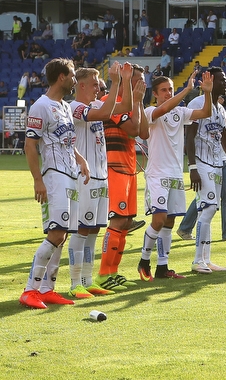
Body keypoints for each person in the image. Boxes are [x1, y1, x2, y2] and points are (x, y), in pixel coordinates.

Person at [19, 59, 91, 309]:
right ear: (61, 77)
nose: (74, 79)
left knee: (62, 236)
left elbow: (68, 142)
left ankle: (48, 288)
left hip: (70, 174)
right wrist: (38, 181)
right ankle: (30, 289)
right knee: (56, 233)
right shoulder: (40, 106)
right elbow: (30, 145)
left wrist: (80, 158)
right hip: (54, 176)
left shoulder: (65, 107)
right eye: (72, 75)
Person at [137, 71, 214, 281]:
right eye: (164, 90)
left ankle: (163, 267)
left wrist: (207, 93)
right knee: (159, 218)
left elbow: (206, 112)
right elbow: (164, 109)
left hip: (175, 174)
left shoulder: (181, 111)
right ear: (155, 94)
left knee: (169, 222)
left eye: (170, 89)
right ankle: (144, 260)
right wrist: (187, 90)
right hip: (157, 174)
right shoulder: (151, 110)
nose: (168, 93)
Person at [66, 63, 129, 299]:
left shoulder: (95, 104)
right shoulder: (74, 107)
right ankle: (75, 283)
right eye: (95, 83)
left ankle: (88, 280)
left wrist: (125, 83)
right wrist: (114, 83)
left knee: (93, 230)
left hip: (101, 176)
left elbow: (126, 107)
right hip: (84, 177)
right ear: (80, 85)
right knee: (81, 229)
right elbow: (105, 114)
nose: (98, 87)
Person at [183, 68, 226, 274]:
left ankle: (206, 259)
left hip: (217, 164)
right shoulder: (196, 105)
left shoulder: (220, 110)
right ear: (210, 80)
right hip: (202, 163)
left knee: (209, 210)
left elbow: (224, 139)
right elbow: (189, 137)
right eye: (222, 79)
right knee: (209, 208)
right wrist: (192, 167)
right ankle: (197, 260)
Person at [94, 65, 148, 292]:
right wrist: (135, 100)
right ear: (127, 81)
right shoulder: (111, 101)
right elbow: (134, 129)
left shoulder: (133, 102)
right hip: (114, 166)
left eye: (143, 81)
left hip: (127, 167)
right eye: (137, 81)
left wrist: (140, 102)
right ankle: (103, 274)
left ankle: (113, 272)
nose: (141, 85)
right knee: (117, 221)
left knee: (125, 223)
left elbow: (144, 133)